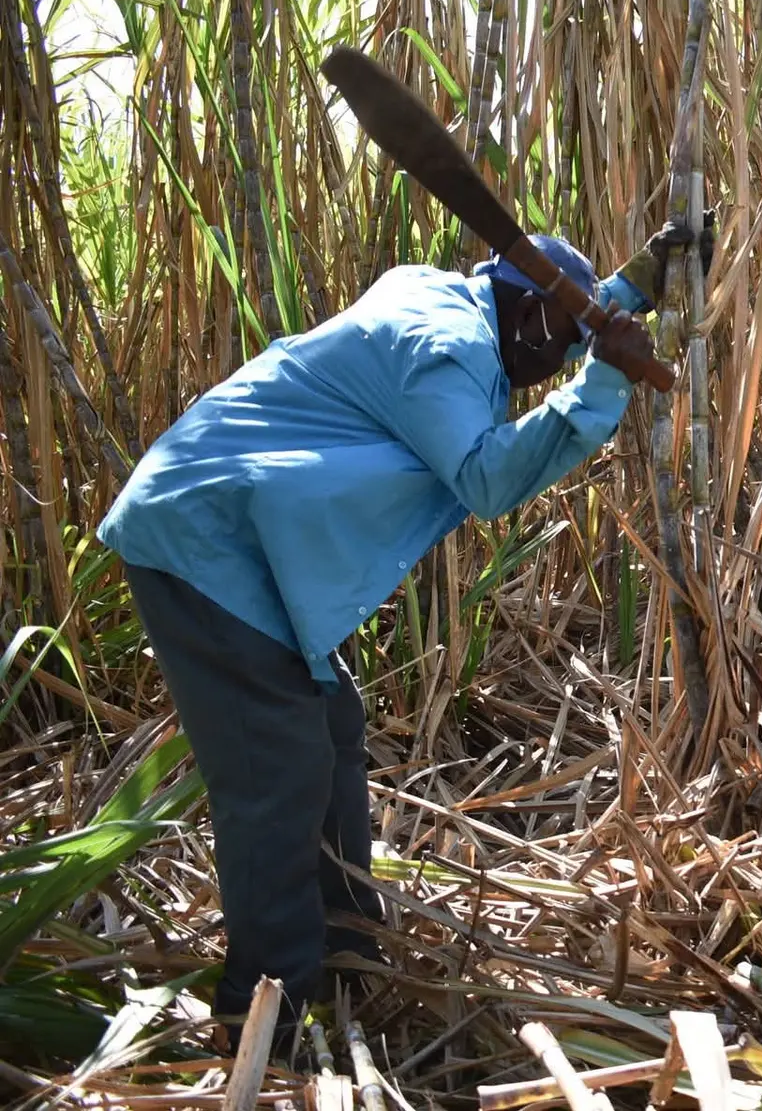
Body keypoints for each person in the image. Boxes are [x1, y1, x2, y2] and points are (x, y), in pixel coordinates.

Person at [95, 220, 709, 1055]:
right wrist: (601, 382)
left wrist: (627, 291)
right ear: (526, 319)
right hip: (206, 538)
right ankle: (258, 1015)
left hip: (247, 541)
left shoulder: (462, 303)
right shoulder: (445, 348)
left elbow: (559, 319)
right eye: (558, 349)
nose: (550, 372)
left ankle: (347, 948)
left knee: (332, 728)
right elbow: (487, 477)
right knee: (278, 765)